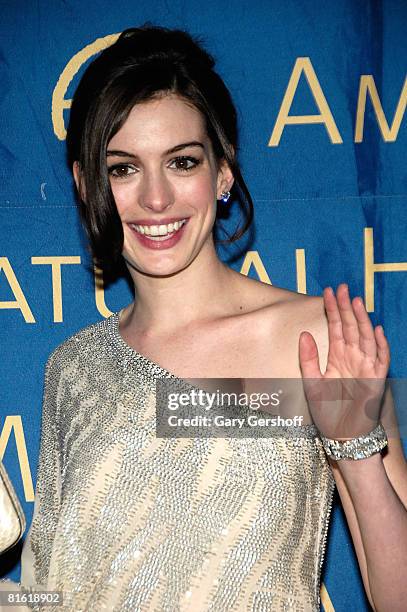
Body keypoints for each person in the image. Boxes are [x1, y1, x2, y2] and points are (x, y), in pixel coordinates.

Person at [1, 24, 407, 612]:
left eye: (182, 161)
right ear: (86, 186)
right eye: (122, 168)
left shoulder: (314, 340)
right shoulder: (75, 370)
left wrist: (356, 448)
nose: (156, 199)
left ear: (222, 173)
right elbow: (52, 592)